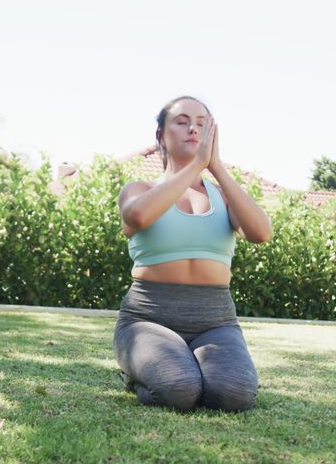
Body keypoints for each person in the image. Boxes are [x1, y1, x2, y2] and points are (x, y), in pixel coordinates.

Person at [114, 96, 272, 411]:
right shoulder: (140, 189)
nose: (193, 129)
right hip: (148, 318)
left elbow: (261, 232)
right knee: (178, 389)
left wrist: (217, 168)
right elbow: (139, 217)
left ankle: (181, 367)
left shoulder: (223, 196)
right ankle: (138, 372)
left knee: (235, 395)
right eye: (182, 121)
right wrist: (196, 166)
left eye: (202, 124)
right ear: (160, 135)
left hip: (215, 321)